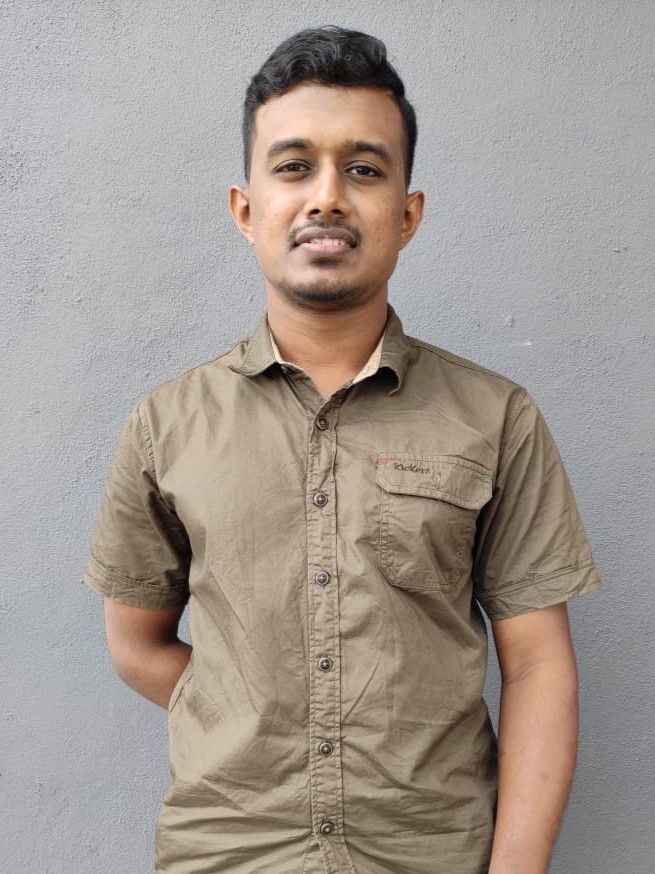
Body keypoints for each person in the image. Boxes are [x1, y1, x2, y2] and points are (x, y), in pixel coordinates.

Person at [84, 26, 601, 874]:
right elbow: (134, 645)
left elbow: (539, 665)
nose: (326, 197)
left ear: (407, 214)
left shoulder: (495, 417)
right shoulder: (165, 425)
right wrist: (243, 717)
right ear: (245, 210)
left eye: (362, 170)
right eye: (293, 167)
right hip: (230, 855)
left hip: (433, 855)